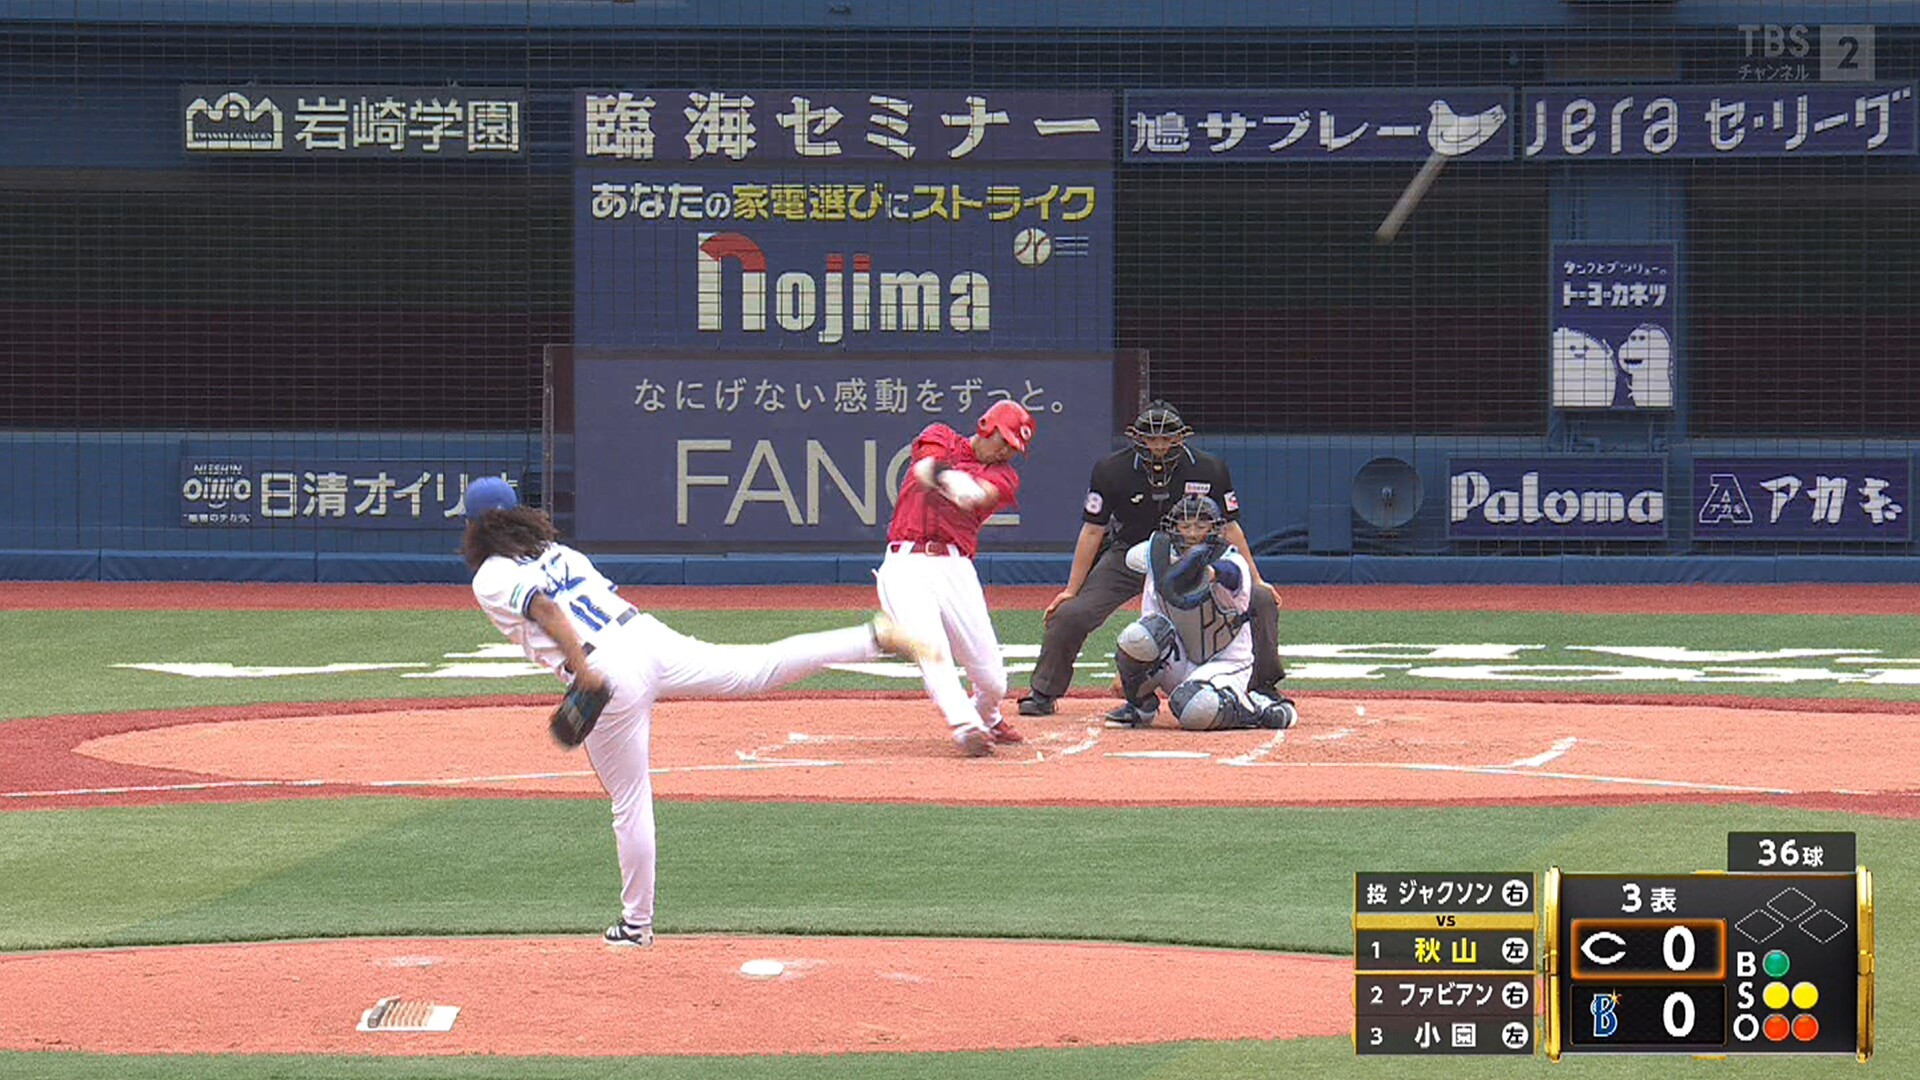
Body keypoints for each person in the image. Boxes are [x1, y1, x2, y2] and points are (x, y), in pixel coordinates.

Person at [458, 476, 933, 948]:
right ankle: (870, 638)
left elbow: (545, 609)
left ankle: (636, 925)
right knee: (754, 669)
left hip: (605, 670)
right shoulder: (559, 552)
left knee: (629, 800)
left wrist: (582, 671)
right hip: (645, 636)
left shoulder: (490, 577)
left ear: (474, 527)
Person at [1017, 399, 1285, 716]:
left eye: (1166, 437)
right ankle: (1045, 692)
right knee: (1070, 614)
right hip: (1130, 554)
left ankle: (1264, 687)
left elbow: (1229, 527)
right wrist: (1071, 590)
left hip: (1194, 556)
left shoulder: (1209, 469)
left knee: (1261, 599)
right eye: (1151, 438)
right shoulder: (1111, 470)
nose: (1159, 446)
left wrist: (1256, 579)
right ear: (1137, 437)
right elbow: (1092, 530)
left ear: (1181, 437)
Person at [876, 399, 1034, 756]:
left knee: (993, 681)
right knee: (930, 647)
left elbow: (981, 494)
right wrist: (949, 478)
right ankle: (966, 726)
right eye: (1004, 441)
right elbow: (925, 468)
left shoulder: (1005, 475)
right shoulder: (941, 436)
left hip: (955, 567)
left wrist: (963, 487)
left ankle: (987, 716)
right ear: (986, 426)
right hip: (906, 563)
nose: (1005, 452)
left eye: (1013, 448)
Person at [1103, 494, 1299, 731]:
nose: (1192, 533)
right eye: (1185, 526)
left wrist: (1209, 573)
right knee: (1136, 637)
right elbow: (1150, 618)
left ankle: (1257, 709)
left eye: (1201, 525)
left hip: (1224, 662)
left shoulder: (1232, 561)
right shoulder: (1158, 559)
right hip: (1179, 660)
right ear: (1173, 527)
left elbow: (1231, 574)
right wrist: (1127, 672)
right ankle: (1141, 707)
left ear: (1214, 529)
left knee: (1196, 710)